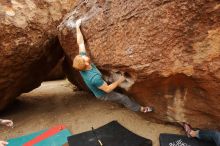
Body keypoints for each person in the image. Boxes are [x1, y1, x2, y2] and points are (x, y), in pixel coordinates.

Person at [72, 19, 153, 113]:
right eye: (84, 58)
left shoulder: (82, 63)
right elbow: (107, 89)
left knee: (113, 84)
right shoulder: (94, 78)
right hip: (102, 94)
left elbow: (80, 43)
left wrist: (77, 27)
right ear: (86, 64)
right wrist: (120, 80)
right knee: (123, 98)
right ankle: (141, 109)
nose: (85, 56)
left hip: (101, 82)